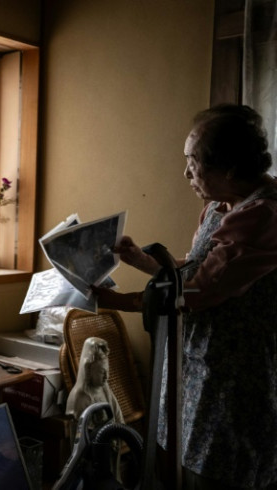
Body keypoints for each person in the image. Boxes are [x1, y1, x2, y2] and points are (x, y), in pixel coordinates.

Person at [95, 104, 277, 489]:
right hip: (198, 362)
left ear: (227, 168)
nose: (186, 173)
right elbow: (196, 266)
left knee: (215, 473)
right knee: (180, 460)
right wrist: (141, 260)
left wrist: (119, 302)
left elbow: (200, 289)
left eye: (193, 162)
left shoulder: (264, 215)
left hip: (234, 374)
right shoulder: (219, 205)